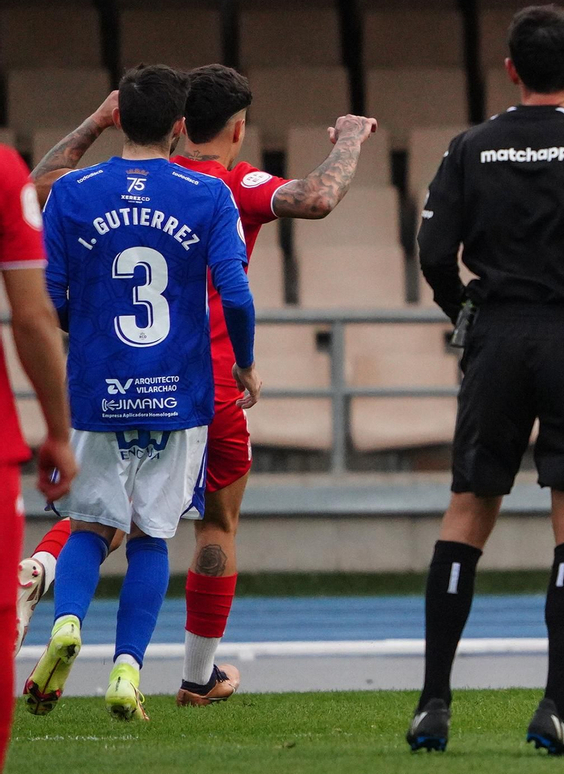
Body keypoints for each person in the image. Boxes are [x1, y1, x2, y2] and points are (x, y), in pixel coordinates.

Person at [18, 67, 380, 705]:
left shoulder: (87, 188)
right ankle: (194, 677)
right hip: (200, 386)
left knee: (96, 513)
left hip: (108, 373)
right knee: (206, 524)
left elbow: (39, 189)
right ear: (236, 128)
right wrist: (349, 138)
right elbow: (316, 198)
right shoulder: (225, 186)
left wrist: (96, 123)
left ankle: (46, 576)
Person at [409, 5, 564, 756]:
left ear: (511, 68)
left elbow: (432, 248)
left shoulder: (470, 145)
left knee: (467, 511)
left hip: (496, 336)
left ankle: (432, 704)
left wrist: (463, 310)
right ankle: (555, 705)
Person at [22, 64, 259, 722]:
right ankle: (127, 671)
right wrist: (245, 363)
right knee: (154, 534)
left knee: (93, 526)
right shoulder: (208, 194)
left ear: (118, 117)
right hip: (178, 389)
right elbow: (235, 293)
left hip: (99, 386)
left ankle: (67, 623)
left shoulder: (71, 192)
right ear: (181, 125)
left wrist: (91, 329)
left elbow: (51, 297)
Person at [0, 139, 77, 766]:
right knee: (139, 516)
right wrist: (56, 429)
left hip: (100, 363)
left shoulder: (79, 182)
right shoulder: (3, 170)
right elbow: (30, 315)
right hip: (162, 376)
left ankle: (42, 572)